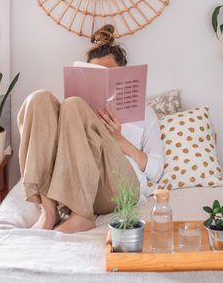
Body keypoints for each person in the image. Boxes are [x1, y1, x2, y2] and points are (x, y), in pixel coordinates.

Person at [18, 24, 164, 234]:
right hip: (72, 188)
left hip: (119, 187)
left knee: (74, 105)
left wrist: (119, 140)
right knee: (40, 99)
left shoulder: (144, 112)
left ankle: (81, 216)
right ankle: (49, 211)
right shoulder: (71, 111)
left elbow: (157, 171)